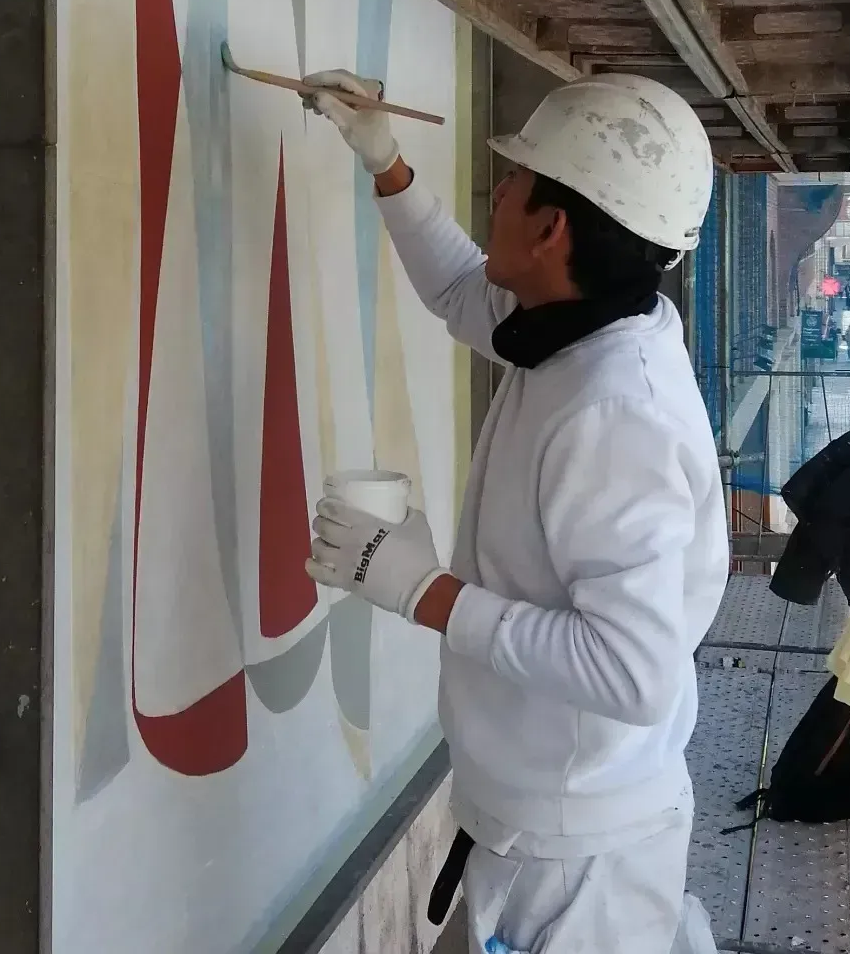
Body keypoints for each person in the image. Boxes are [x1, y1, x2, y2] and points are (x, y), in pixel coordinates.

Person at [302, 69, 729, 954]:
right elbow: (466, 293)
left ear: (551, 227)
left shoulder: (617, 414)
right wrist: (384, 160)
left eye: (516, 179)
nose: (498, 189)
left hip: (578, 877)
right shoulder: (579, 323)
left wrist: (427, 592)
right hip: (537, 831)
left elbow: (633, 673)